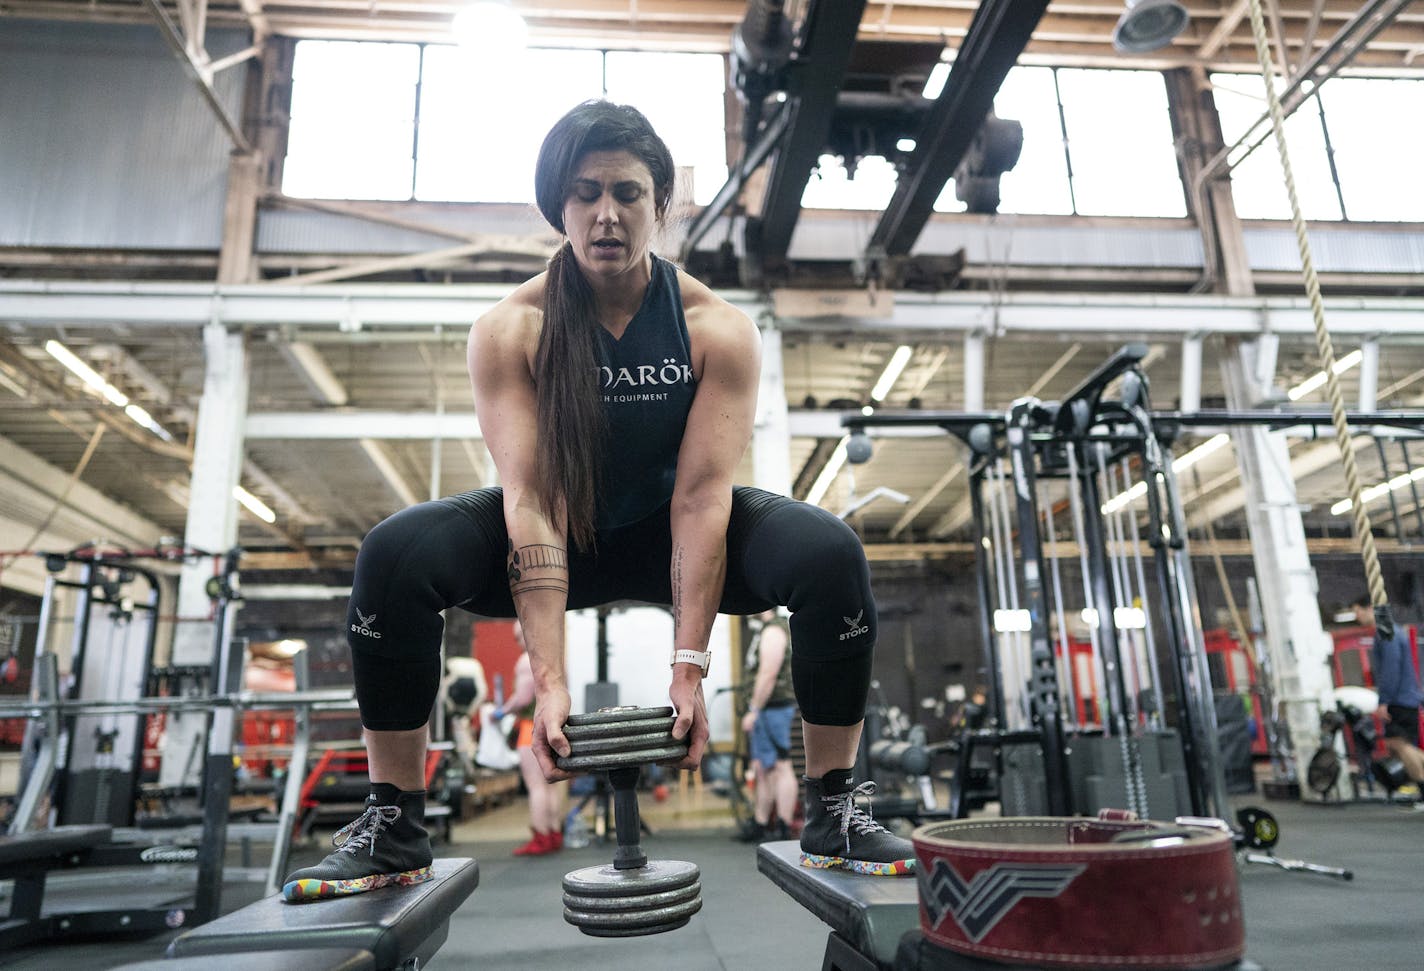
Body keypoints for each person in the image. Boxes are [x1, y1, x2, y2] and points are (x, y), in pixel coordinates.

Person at [281, 99, 914, 904]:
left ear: (660, 205)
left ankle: (834, 808)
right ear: (559, 206)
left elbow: (699, 498)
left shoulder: (715, 329)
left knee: (829, 555)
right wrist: (549, 682)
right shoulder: (512, 329)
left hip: (672, 530)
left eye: (626, 192)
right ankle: (394, 823)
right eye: (584, 193)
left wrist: (689, 668)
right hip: (557, 527)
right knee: (394, 556)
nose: (605, 213)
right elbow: (534, 499)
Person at [491, 621, 566, 854]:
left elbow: (523, 699)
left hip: (530, 728)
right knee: (550, 785)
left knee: (536, 786)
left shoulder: (527, 661)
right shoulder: (555, 660)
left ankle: (541, 836)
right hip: (552, 726)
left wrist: (501, 711)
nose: (518, 642)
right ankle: (553, 833)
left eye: (519, 636)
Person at [1352, 596, 1424, 809]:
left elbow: (1391, 669)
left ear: (1371, 609)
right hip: (1405, 698)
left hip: (1400, 700)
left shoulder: (1387, 631)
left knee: (1398, 744)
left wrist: (1384, 701)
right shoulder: (1388, 630)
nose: (1357, 616)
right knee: (1398, 746)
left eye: (1358, 610)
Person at [738, 608, 799, 842]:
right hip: (766, 708)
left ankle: (784, 825)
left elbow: (768, 674)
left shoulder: (774, 630)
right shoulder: (766, 629)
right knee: (763, 767)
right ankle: (761, 824)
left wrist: (754, 709)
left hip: (772, 708)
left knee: (781, 766)